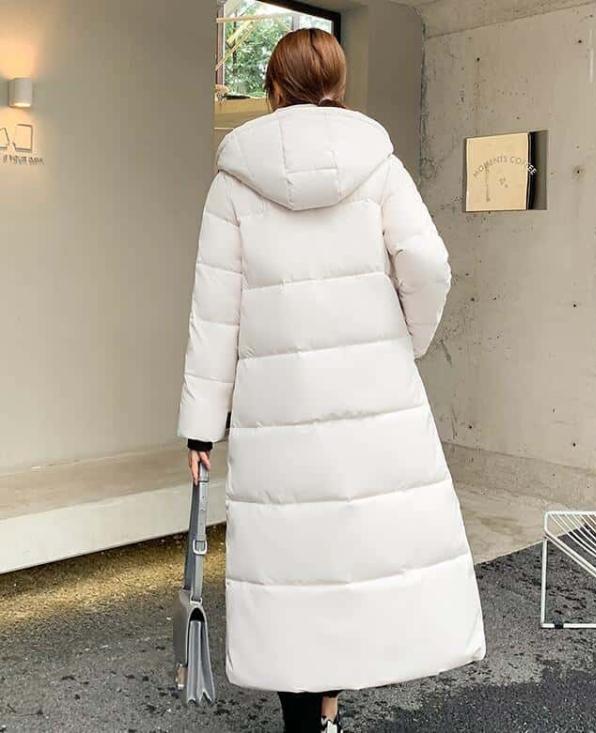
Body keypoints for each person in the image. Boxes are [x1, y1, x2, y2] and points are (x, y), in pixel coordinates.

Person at [177, 27, 485, 733]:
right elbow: (429, 265)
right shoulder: (377, 165)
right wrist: (406, 339)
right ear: (339, 85)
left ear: (272, 88)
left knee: (293, 561)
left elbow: (215, 312)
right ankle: (330, 713)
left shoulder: (234, 181)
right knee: (350, 553)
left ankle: (306, 718)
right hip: (369, 396)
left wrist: (200, 427)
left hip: (278, 409)